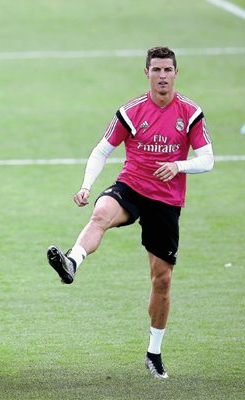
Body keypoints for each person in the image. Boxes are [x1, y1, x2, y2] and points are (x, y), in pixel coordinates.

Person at [46, 47, 213, 379]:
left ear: (176, 73)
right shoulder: (131, 111)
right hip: (132, 186)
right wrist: (86, 186)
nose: (162, 75)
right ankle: (72, 262)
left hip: (166, 200)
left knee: (161, 280)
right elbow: (102, 149)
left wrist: (178, 165)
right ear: (146, 73)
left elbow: (207, 159)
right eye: (156, 70)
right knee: (100, 214)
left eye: (167, 70)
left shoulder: (190, 113)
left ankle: (154, 352)